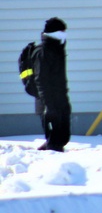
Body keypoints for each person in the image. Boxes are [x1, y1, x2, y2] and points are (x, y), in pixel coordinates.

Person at [34, 17, 71, 152]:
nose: (64, 33)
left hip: (60, 96)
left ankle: (51, 148)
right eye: (62, 31)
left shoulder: (57, 48)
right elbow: (41, 80)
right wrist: (48, 104)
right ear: (54, 32)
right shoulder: (43, 51)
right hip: (48, 99)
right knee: (55, 139)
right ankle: (52, 158)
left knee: (63, 136)